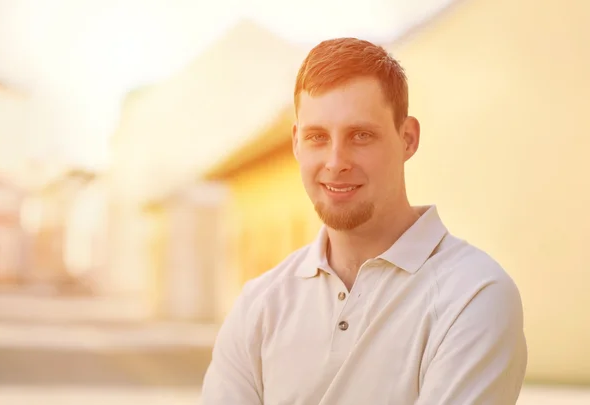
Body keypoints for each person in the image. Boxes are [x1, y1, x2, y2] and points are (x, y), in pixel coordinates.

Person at [201, 37, 527, 405]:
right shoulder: (257, 307)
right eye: (317, 137)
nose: (336, 161)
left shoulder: (474, 295)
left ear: (408, 138)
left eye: (361, 135)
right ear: (296, 143)